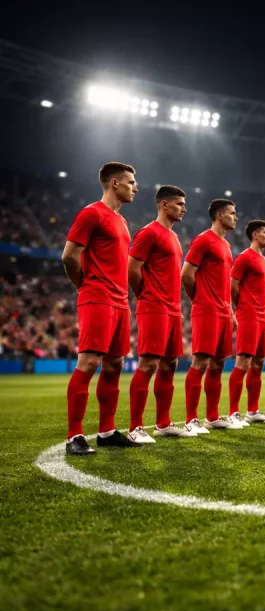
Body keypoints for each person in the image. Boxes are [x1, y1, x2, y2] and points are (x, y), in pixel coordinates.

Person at [62, 161, 142, 454]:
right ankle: (74, 436)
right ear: (114, 183)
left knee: (115, 364)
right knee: (90, 361)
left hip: (120, 301)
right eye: (131, 182)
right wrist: (84, 285)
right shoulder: (91, 214)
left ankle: (107, 431)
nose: (136, 187)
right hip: (97, 296)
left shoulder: (121, 221)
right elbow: (69, 256)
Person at [126, 185, 195, 441]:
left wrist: (175, 307)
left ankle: (163, 423)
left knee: (170, 364)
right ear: (164, 205)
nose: (184, 209)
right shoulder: (148, 233)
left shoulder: (174, 237)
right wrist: (145, 295)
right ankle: (135, 428)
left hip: (173, 310)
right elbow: (132, 268)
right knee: (148, 363)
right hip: (153, 307)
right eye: (179, 204)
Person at [182, 198, 240, 432]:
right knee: (201, 362)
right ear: (219, 215)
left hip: (224, 312)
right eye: (232, 213)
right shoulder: (203, 240)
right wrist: (199, 299)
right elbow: (186, 274)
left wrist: (230, 310)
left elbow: (224, 282)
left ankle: (212, 417)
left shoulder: (226, 246)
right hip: (206, 310)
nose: (235, 217)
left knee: (218, 364)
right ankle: (190, 420)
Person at [228, 220, 265, 425]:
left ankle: (253, 410)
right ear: (255, 235)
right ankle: (233, 413)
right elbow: (233, 285)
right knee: (243, 362)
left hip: (262, 317)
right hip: (248, 315)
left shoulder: (264, 261)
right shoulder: (245, 258)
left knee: (259, 362)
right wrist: (242, 308)